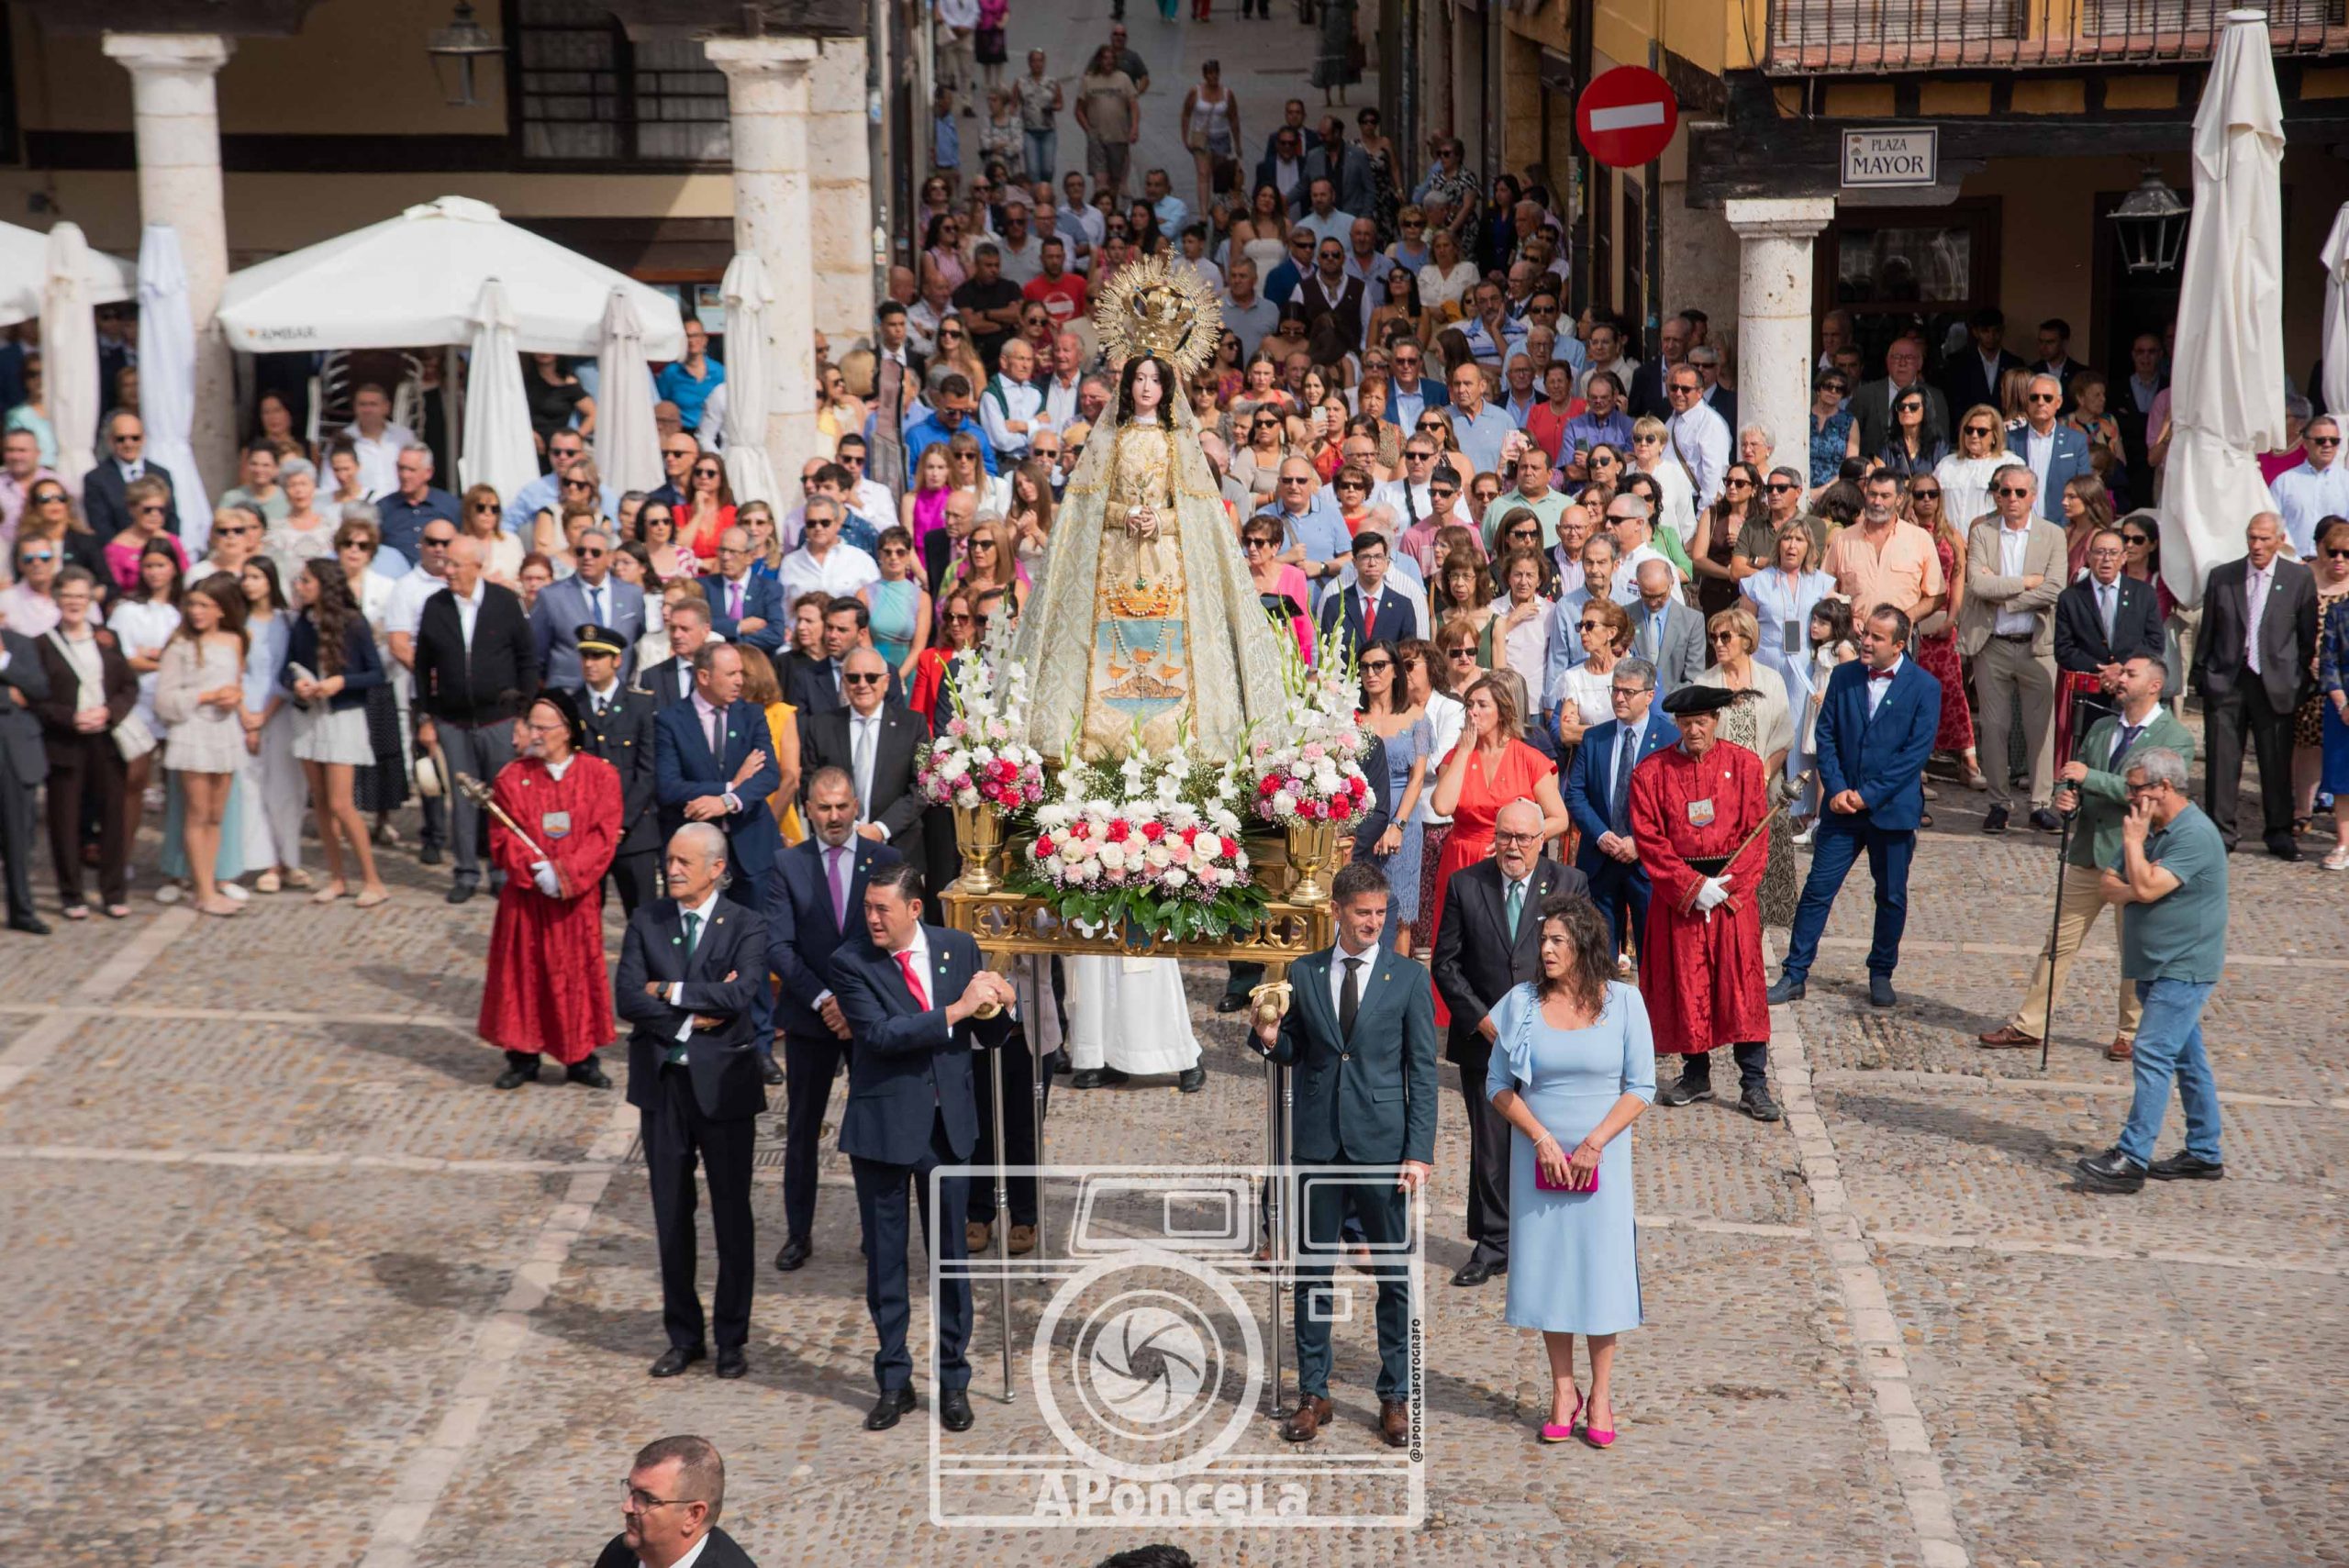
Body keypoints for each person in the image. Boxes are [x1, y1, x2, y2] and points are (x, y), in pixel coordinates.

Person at [1009, 310, 1287, 762]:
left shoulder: (1179, 442)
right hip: (1116, 560)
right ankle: (1104, 741)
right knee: (1112, 637)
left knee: (1166, 634)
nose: (1145, 387)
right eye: (1138, 378)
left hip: (1166, 563)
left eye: (1154, 380)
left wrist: (1160, 521)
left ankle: (1172, 739)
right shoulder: (1109, 439)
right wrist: (1126, 514)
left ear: (1166, 387)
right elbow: (1086, 508)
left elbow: (1198, 513)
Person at [1252, 861, 1436, 1448]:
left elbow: (1422, 1072)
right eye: (1362, 913)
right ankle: (1314, 1393)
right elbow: (1296, 1049)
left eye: (1380, 913)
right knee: (1312, 1274)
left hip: (1382, 1146)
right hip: (1319, 1145)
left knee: (1394, 1277)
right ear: (1336, 911)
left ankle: (1395, 1394)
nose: (1373, 923)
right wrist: (1270, 1039)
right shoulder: (1303, 973)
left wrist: (1419, 1151)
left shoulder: (1408, 979)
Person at [829, 862, 1017, 1433]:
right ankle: (894, 1381)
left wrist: (1003, 1004)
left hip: (947, 1130)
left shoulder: (957, 948)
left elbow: (988, 1035)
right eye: (867, 907)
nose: (871, 918)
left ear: (914, 908)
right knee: (887, 1265)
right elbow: (881, 1035)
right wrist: (956, 1010)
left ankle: (954, 1381)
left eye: (881, 908)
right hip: (884, 1130)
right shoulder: (851, 961)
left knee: (951, 1262)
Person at [1485, 894, 1655, 1447]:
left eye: (1558, 940)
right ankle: (1564, 1390)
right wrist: (1539, 1137)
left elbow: (1642, 1086)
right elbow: (1497, 1085)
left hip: (1602, 1161)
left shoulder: (1625, 1003)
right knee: (1549, 1271)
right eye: (1544, 940)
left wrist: (1595, 1143)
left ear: (1584, 945)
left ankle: (1601, 1394)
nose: (1547, 949)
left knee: (1601, 1272)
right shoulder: (1521, 1003)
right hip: (1539, 1160)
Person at [1980, 653, 2192, 1062]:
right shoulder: (2101, 727)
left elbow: (2151, 794)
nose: (2120, 678)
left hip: (2136, 860)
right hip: (2088, 852)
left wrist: (2088, 779)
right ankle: (2029, 1025)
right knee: (2057, 943)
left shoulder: (2175, 737)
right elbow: (2073, 775)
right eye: (2121, 672)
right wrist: (2067, 798)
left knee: (2135, 949)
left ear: (2154, 686)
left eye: (2130, 674)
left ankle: (2132, 1033)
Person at [614, 825, 769, 1379]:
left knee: (732, 1215)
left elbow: (740, 993)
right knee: (671, 1214)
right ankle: (683, 1336)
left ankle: (731, 1339)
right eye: (670, 858)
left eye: (684, 861)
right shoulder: (647, 920)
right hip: (663, 1089)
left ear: (716, 868)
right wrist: (687, 1019)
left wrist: (668, 989)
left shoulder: (746, 924)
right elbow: (627, 996)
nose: (672, 868)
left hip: (725, 1087)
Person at [1431, 796, 1587, 1287]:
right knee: (1492, 1145)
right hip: (1486, 1042)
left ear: (1542, 840)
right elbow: (1445, 963)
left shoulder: (1568, 883)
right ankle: (1494, 1242)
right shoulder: (1466, 884)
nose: (1512, 847)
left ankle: (1549, 1240)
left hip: (1550, 1040)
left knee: (1552, 1139)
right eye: (1504, 836)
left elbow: (1582, 956)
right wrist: (1483, 1022)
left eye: (1522, 837)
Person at [2073, 749, 2231, 1194]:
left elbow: (2141, 886)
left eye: (2135, 788)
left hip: (2183, 966)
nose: (2129, 797)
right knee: (2188, 1058)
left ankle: (2132, 1157)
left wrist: (2134, 853)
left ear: (2164, 787)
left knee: (2152, 1052)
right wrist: (2137, 881)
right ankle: (2204, 1152)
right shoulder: (2151, 831)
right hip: (2153, 964)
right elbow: (2110, 885)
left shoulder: (2193, 834)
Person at [763, 766, 900, 1273]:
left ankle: (876, 1233)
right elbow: (779, 945)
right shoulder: (787, 864)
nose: (835, 816)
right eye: (824, 807)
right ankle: (798, 1233)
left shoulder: (886, 861)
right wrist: (825, 999)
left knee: (873, 1128)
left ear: (857, 806)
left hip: (869, 1020)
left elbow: (895, 940)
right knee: (801, 1129)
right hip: (809, 1016)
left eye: (843, 806)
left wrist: (853, 1003)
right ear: (808, 810)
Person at [1770, 606, 1941, 1010]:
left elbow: (1914, 754)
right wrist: (1838, 789)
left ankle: (1881, 972)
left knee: (1891, 895)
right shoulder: (1844, 676)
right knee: (1817, 890)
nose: (1865, 642)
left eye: (1877, 638)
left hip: (1891, 810)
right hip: (1842, 808)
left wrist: (1869, 795)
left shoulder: (1924, 687)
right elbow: (1826, 734)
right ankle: (1795, 973)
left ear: (1899, 645)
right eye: (1866, 634)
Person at [1626, 685, 1776, 1117]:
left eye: (1702, 722)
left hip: (1730, 895)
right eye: (1687, 723)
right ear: (1676, 724)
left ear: (1715, 721)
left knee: (1741, 985)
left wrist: (1728, 889)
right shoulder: (1651, 773)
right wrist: (1691, 888)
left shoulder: (1744, 766)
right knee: (1686, 982)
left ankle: (1754, 1082)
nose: (1694, 730)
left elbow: (1756, 835)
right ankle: (1696, 1073)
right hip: (1680, 896)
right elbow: (1649, 840)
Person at [479, 691, 622, 1090]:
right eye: (532, 726)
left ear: (567, 731)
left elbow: (603, 835)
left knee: (576, 975)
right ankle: (522, 1055)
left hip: (575, 901)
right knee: (525, 975)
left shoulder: (600, 776)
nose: (535, 734)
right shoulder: (512, 777)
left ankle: (581, 1056)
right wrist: (533, 869)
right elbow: (502, 837)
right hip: (527, 900)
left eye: (544, 727)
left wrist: (567, 874)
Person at [1425, 674, 1570, 1027]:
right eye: (1469, 705)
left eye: (1481, 705)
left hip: (1510, 860)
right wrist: (1463, 751)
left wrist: (1520, 839)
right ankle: (1465, 1017)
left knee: (1504, 942)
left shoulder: (1529, 758)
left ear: (1502, 710)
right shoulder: (1459, 755)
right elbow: (1442, 805)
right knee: (1459, 945)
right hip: (1462, 856)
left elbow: (1559, 818)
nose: (1472, 712)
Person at [413, 537, 540, 906]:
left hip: (499, 719)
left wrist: (523, 716)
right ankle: (465, 872)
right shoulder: (435, 605)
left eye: (455, 564)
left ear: (476, 567)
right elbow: (422, 667)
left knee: (501, 800)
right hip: (452, 721)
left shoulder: (504, 602)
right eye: (446, 563)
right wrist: (426, 716)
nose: (447, 570)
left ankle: (501, 872)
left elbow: (527, 660)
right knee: (463, 801)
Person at [2192, 512, 2318, 860]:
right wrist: (2204, 677)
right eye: (2252, 537)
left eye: (2264, 539)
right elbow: (2209, 631)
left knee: (2275, 762)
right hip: (2228, 680)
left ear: (2280, 540)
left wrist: (2297, 680)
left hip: (2275, 682)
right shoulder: (2224, 576)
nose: (2257, 545)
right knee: (2221, 762)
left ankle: (2279, 832)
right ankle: (2220, 832)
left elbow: (2306, 637)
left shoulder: (2298, 578)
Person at [1960, 465, 2066, 833]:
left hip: (2038, 644)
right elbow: (1977, 585)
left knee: (2041, 730)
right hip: (1993, 644)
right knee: (1993, 727)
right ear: (1996, 495)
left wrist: (2006, 597)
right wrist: (2025, 582)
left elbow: (2054, 588)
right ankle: (1998, 802)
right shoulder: (1983, 531)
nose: (2012, 499)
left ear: (2033, 496)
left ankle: (2040, 803)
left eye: (2020, 492)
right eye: (2005, 491)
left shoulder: (2052, 534)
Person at [284, 559, 392, 907]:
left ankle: (373, 880)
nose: (300, 586)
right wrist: (297, 684)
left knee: (342, 804)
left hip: (343, 717)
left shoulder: (353, 622)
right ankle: (337, 877)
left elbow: (376, 673)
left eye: (306, 580)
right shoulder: (303, 622)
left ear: (323, 585)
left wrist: (340, 682)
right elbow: (286, 667)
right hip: (309, 717)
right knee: (320, 802)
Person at [32, 569, 136, 920]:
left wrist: (109, 712)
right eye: (68, 595)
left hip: (106, 740)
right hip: (66, 744)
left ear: (90, 600)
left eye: (81, 596)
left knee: (112, 817)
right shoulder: (42, 645)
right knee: (65, 820)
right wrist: (70, 718)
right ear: (56, 599)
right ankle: (72, 894)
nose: (74, 602)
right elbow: (37, 698)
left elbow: (128, 686)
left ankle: (113, 892)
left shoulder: (108, 638)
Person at [654, 642, 784, 916]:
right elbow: (669, 787)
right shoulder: (670, 720)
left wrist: (727, 801)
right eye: (731, 674)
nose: (740, 681)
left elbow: (769, 774)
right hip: (697, 854)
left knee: (756, 932)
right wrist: (730, 786)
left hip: (751, 849)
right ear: (704, 676)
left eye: (741, 673)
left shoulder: (752, 715)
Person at [1692, 606, 1798, 927]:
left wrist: (1762, 776)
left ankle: (1758, 934)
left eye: (1726, 636)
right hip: (1719, 791)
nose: (1718, 643)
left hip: (1765, 788)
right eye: (1714, 637)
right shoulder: (1705, 681)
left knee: (1762, 868)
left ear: (1747, 639)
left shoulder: (1771, 680)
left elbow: (1783, 735)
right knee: (1725, 869)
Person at [1565, 657, 1676, 961]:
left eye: (1629, 692)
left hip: (1646, 866)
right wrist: (1601, 835)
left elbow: (1674, 804)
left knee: (1652, 955)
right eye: (1615, 690)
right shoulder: (1594, 737)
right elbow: (1575, 794)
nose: (1619, 698)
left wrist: (1640, 842)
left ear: (1650, 695)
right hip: (1600, 862)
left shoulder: (1669, 740)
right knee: (1599, 957)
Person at [153, 575, 250, 918]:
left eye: (204, 605)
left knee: (215, 814)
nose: (196, 611)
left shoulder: (234, 641)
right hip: (192, 732)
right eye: (192, 604)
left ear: (221, 610)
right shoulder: (179, 647)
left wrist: (234, 698)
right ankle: (204, 891)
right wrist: (207, 696)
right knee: (197, 812)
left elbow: (236, 683)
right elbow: (164, 700)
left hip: (224, 732)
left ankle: (211, 882)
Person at [2053, 526, 2166, 764]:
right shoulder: (2071, 597)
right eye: (2100, 552)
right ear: (2089, 556)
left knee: (2134, 759)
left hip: (2134, 691)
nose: (2106, 559)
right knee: (2092, 757)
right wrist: (2102, 671)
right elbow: (2064, 649)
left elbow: (2155, 642)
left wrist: (2122, 669)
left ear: (2123, 557)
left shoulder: (2143, 594)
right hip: (2092, 694)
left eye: (2113, 553)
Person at [575, 625, 663, 917]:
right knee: (585, 916)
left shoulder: (640, 705)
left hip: (634, 829)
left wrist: (620, 823)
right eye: (585, 656)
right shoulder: (572, 707)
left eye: (598, 656)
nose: (590, 663)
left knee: (642, 914)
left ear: (616, 660)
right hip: (587, 830)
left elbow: (647, 771)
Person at [594, 1435, 758, 1568]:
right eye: (631, 1491)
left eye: (645, 1499)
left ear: (693, 1515)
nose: (627, 1507)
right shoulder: (620, 1554)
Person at [537, 525, 647, 688]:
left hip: (618, 693)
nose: (587, 557)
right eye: (581, 552)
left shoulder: (632, 595)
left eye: (595, 552)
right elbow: (537, 654)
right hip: (569, 692)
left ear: (610, 557)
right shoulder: (552, 596)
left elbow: (637, 639)